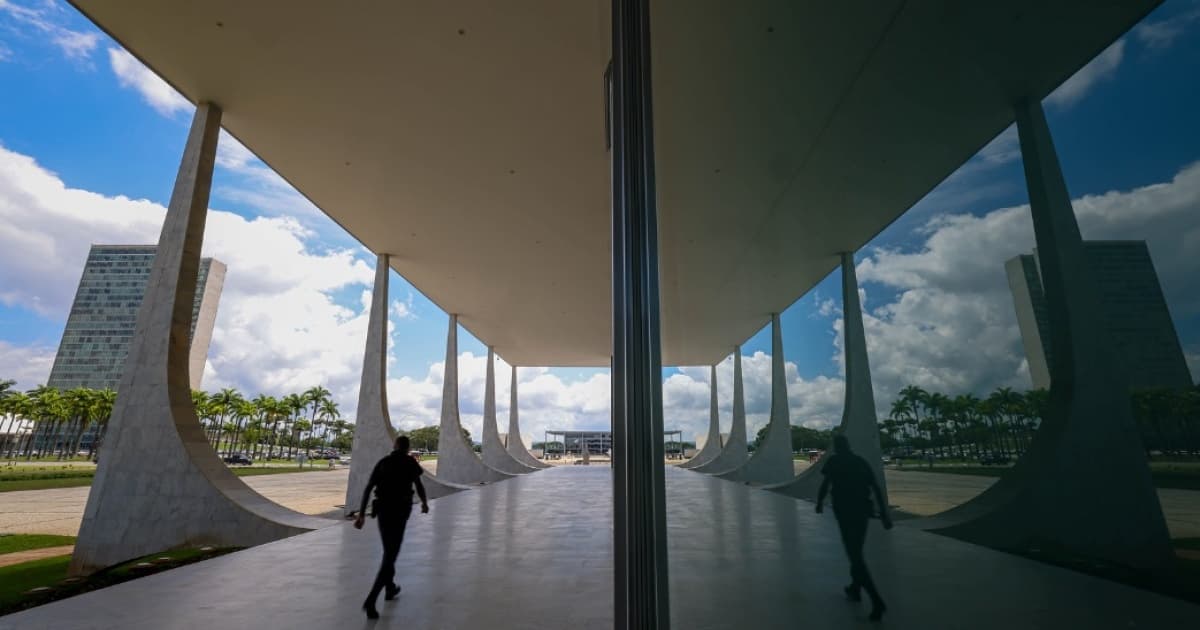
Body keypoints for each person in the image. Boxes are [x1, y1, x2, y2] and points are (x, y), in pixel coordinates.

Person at [816, 434, 891, 622]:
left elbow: (826, 484)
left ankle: (876, 600)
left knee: (855, 556)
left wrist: (819, 502)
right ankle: (855, 588)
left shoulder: (835, 461)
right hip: (862, 512)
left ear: (837, 446)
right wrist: (884, 515)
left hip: (845, 512)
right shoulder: (860, 461)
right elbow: (876, 488)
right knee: (855, 549)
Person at [355, 435, 429, 620]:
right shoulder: (410, 463)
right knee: (390, 555)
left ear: (395, 446)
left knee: (389, 550)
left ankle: (389, 588)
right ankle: (371, 599)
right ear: (407, 447)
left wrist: (362, 514)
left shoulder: (384, 462)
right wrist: (424, 503)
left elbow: (368, 487)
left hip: (383, 512)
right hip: (400, 512)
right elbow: (419, 485)